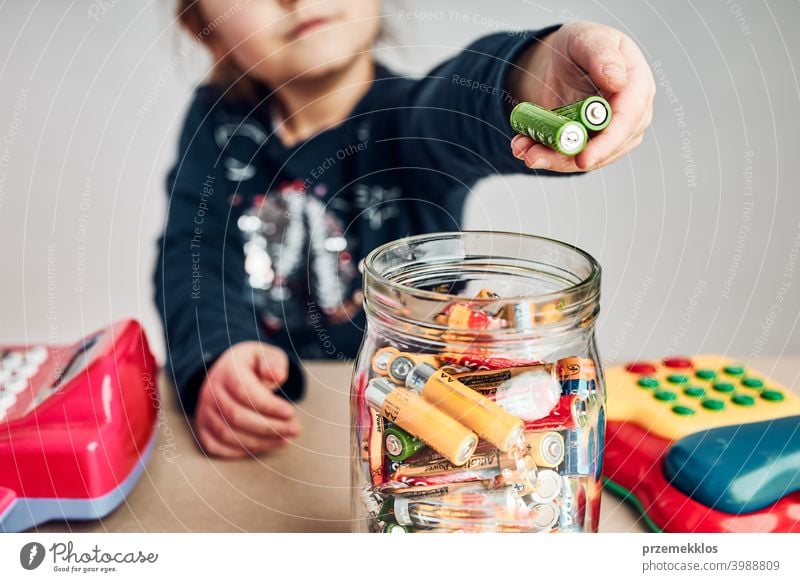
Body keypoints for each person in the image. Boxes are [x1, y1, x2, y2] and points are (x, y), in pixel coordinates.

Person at [155, 0, 655, 458]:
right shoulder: (215, 129)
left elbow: (464, 100)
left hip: (432, 427)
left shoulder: (411, 121)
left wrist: (535, 72)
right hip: (283, 432)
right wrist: (217, 354)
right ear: (202, 26)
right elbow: (190, 255)